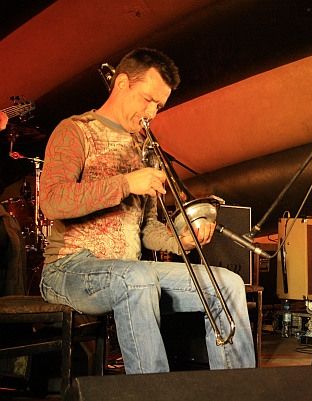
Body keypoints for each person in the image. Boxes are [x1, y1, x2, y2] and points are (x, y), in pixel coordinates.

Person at [39, 48, 255, 374]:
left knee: (228, 284)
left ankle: (240, 391)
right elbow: (53, 201)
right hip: (68, 269)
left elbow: (147, 228)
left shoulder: (145, 149)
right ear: (122, 83)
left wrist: (181, 240)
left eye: (159, 106)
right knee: (136, 278)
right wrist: (126, 183)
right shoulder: (75, 130)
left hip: (128, 271)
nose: (151, 112)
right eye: (148, 99)